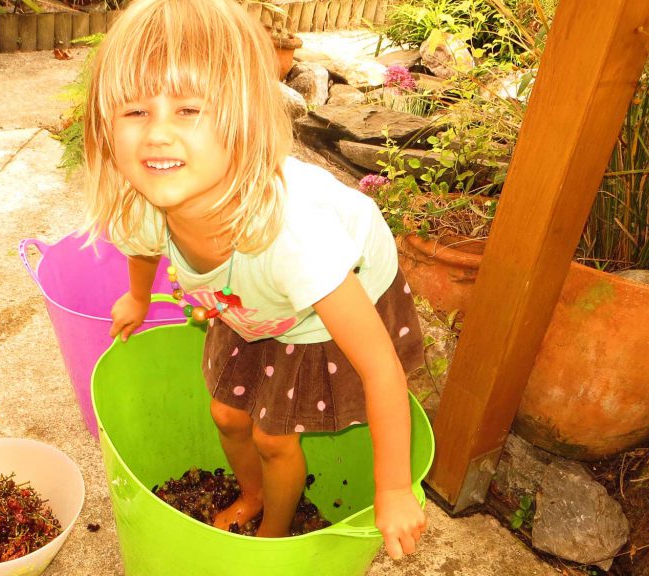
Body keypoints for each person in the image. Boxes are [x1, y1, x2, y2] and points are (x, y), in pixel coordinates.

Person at [82, 0, 427, 560]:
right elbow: (144, 247)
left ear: (243, 120)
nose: (158, 136)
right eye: (135, 112)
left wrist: (392, 489)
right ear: (105, 125)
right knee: (226, 412)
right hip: (251, 302)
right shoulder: (147, 197)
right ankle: (252, 495)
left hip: (327, 301)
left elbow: (380, 365)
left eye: (189, 109)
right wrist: (137, 297)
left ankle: (273, 535)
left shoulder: (294, 238)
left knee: (273, 436)